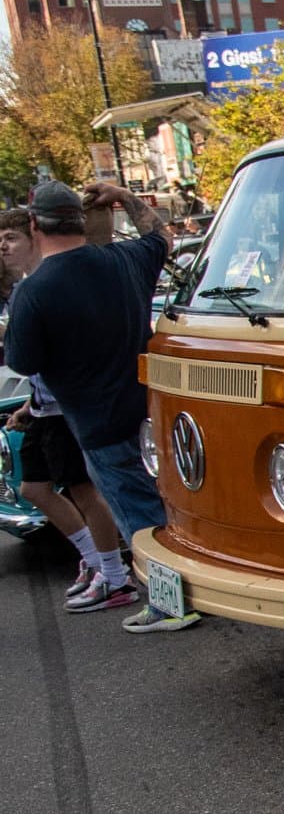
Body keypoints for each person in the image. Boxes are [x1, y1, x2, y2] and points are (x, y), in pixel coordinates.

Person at [3, 180, 201, 633]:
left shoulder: (35, 292)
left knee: (140, 516)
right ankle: (186, 590)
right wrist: (126, 198)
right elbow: (160, 237)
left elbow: (23, 360)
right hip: (151, 405)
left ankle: (173, 604)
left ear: (35, 226)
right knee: (164, 501)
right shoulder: (124, 259)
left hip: (96, 420)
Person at [0, 206, 131, 609]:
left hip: (65, 407)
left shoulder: (43, 285)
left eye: (11, 238)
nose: (3, 247)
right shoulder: (26, 287)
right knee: (34, 488)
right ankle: (95, 563)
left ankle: (115, 578)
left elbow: (41, 355)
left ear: (34, 237)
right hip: (43, 406)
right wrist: (27, 404)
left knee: (85, 491)